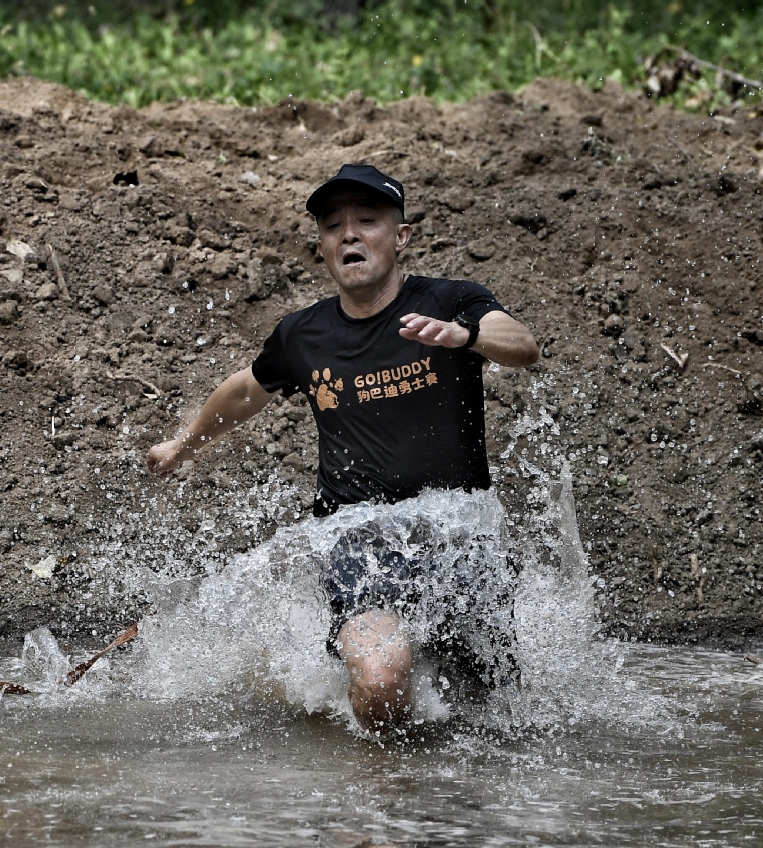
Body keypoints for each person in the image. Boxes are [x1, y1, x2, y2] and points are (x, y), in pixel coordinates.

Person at [145, 163, 540, 733]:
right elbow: (247, 388)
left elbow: (524, 346)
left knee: (495, 712)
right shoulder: (303, 335)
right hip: (359, 537)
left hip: (460, 535)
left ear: (400, 237)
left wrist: (467, 337)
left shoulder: (451, 300)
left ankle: (449, 821)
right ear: (323, 247)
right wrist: (184, 444)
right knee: (382, 681)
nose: (349, 234)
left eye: (367, 220)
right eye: (334, 226)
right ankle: (379, 808)